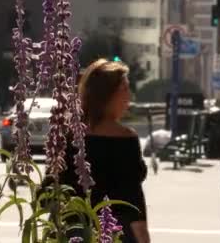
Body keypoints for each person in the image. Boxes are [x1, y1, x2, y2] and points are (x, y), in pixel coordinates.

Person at [54, 58, 150, 243]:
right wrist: (144, 238)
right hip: (115, 233)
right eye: (124, 89)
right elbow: (133, 199)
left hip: (70, 230)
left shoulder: (66, 135)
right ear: (107, 95)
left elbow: (50, 191)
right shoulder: (125, 138)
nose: (129, 96)